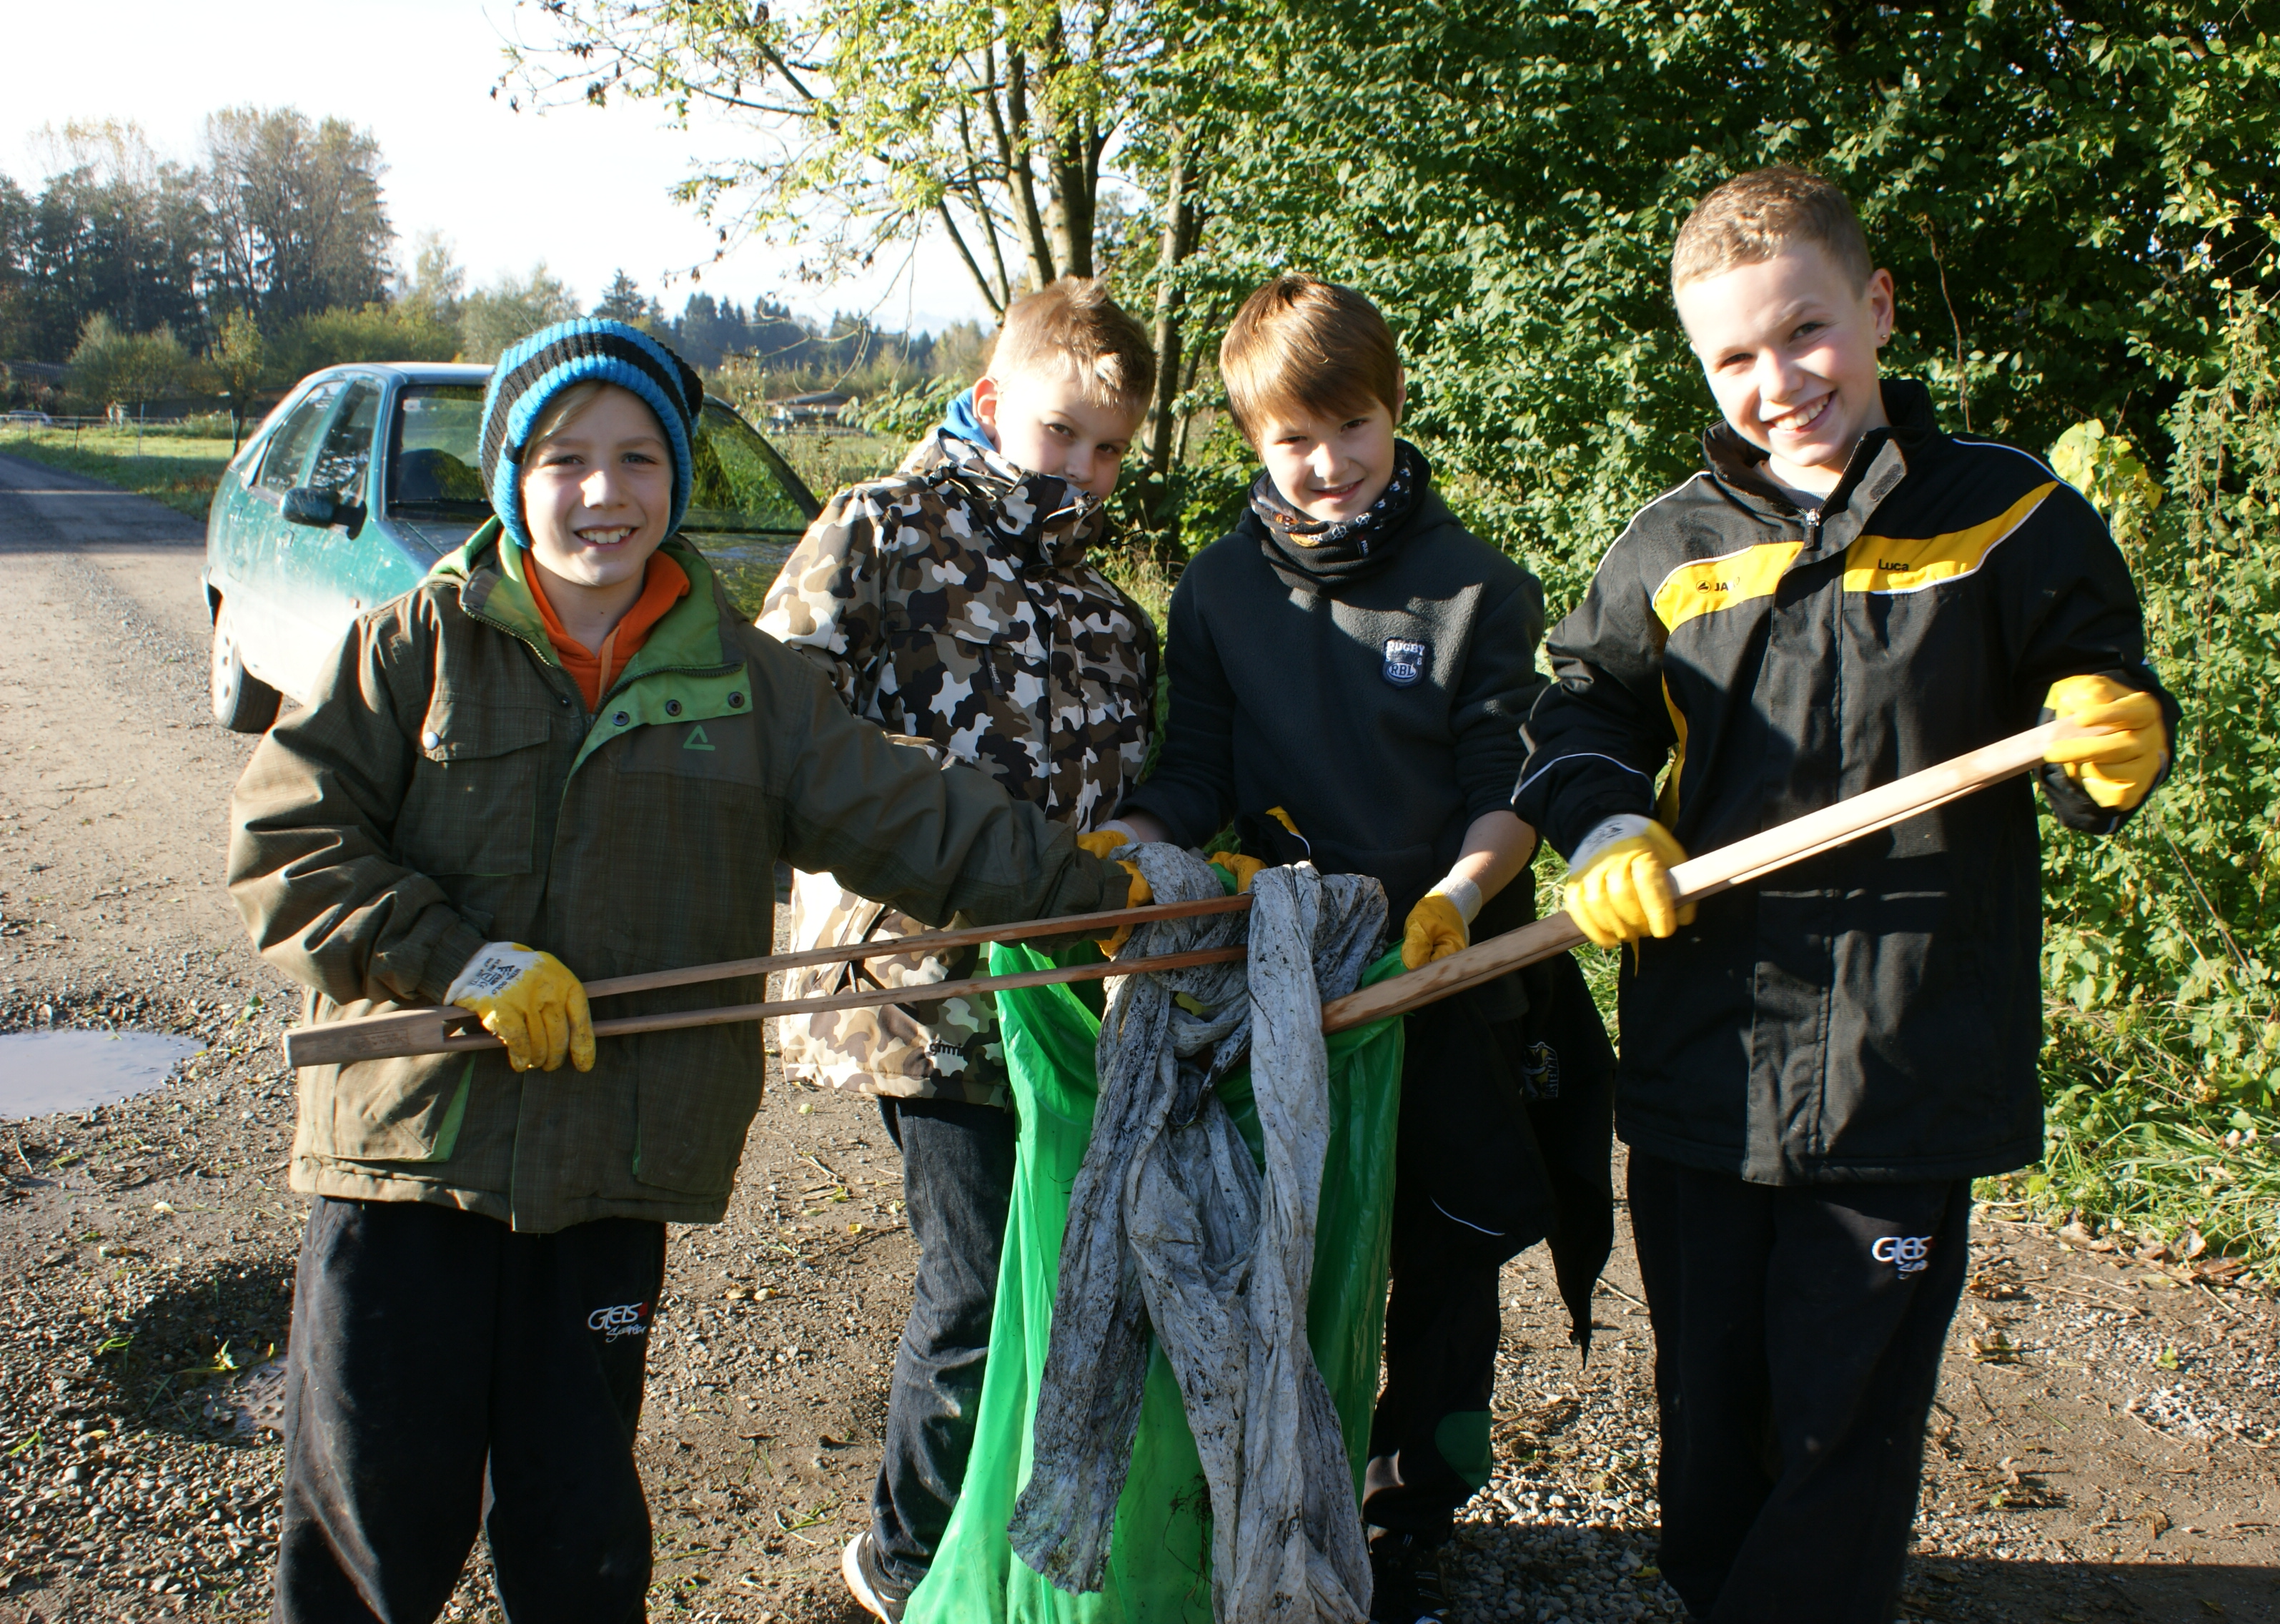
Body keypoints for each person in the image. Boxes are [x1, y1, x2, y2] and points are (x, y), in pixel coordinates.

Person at [227, 318, 1141, 1624]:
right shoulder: (409, 647)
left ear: (676, 475)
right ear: (511, 477)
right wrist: (462, 961)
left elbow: (920, 821)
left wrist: (1111, 897)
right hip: (407, 1160)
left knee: (579, 1530)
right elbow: (288, 844)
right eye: (565, 458)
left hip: (613, 1164)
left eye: (639, 458)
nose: (604, 492)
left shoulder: (749, 688)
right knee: (375, 1530)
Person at [1510, 168, 2176, 1623]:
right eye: (1734, 357)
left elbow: (2096, 692)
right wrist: (1609, 826)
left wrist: (2112, 733)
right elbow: (1576, 718)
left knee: (1845, 1423)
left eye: (1804, 331)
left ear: (1874, 309)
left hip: (1905, 1059)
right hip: (1706, 1061)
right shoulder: (1674, 547)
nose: (1778, 382)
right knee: (1712, 1402)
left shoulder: (2008, 515)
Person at [1101, 274, 1614, 1624]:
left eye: (1353, 428)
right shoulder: (1219, 590)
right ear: (1250, 438)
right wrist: (1132, 840)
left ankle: (1413, 1521)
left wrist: (1456, 900)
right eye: (1293, 439)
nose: (1328, 464)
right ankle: (1283, 1502)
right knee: (1300, 1251)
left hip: (1448, 968)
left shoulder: (1479, 588)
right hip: (1285, 981)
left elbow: (1509, 785)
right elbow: (1198, 769)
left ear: (1394, 410)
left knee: (1444, 1260)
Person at [753, 277, 1164, 1621]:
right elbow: (776, 722)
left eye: (1109, 450)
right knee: (979, 1287)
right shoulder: (878, 528)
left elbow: (1137, 794)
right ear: (991, 402)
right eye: (1060, 435)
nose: (1083, 472)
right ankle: (901, 1562)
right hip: (918, 991)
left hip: (1068, 999)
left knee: (1064, 1275)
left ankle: (1007, 1538)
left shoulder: (1110, 614)